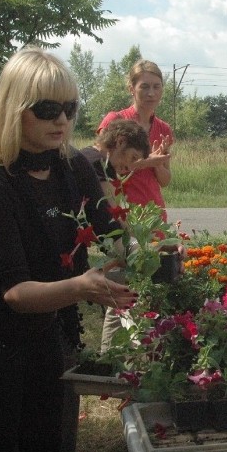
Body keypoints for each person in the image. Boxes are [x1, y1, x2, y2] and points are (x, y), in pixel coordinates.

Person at [0, 48, 136, 452]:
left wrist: (145, 253)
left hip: (55, 339)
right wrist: (81, 287)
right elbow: (14, 294)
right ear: (13, 108)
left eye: (70, 108)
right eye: (47, 108)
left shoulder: (72, 167)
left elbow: (111, 233)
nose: (62, 120)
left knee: (52, 443)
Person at [80, 119, 150, 353]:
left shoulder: (103, 166)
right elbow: (108, 222)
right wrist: (140, 252)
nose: (130, 167)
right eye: (131, 158)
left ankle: (109, 356)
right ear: (119, 142)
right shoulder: (92, 163)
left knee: (122, 293)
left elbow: (118, 219)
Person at [97, 59, 173, 219]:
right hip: (121, 211)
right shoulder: (115, 120)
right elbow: (99, 167)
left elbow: (165, 181)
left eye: (156, 86)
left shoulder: (163, 129)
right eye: (144, 86)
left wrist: (158, 165)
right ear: (132, 89)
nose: (151, 93)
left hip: (154, 213)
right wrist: (146, 162)